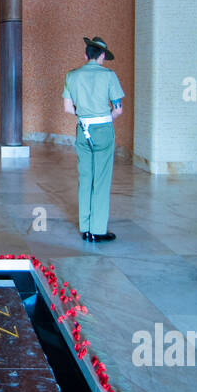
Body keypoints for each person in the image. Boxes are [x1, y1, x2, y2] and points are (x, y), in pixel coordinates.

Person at [62, 36, 124, 243]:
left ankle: (85, 228)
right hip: (103, 129)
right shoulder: (109, 75)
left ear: (85, 55)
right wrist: (106, 118)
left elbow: (68, 109)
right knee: (102, 179)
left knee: (85, 178)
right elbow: (118, 109)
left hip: (83, 129)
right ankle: (98, 230)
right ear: (103, 56)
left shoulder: (72, 76)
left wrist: (85, 115)